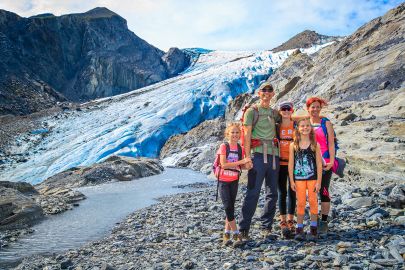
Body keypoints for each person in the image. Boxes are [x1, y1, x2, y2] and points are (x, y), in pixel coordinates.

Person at [238, 82, 281, 241]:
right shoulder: (252, 111)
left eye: (270, 90)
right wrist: (247, 156)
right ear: (259, 92)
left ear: (273, 94)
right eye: (264, 90)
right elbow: (247, 134)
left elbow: (288, 118)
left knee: (272, 194)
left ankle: (266, 227)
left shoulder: (274, 113)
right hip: (257, 156)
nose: (267, 93)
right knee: (253, 192)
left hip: (274, 156)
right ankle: (243, 229)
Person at [288, 115, 322, 241]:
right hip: (299, 179)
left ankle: (313, 228)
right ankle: (299, 228)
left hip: (312, 177)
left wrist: (319, 181)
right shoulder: (294, 145)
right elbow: (291, 164)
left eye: (307, 126)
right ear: (298, 128)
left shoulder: (314, 144)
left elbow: (319, 163)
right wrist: (291, 180)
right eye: (302, 126)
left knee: (313, 202)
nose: (305, 128)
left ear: (310, 128)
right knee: (301, 202)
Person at [217, 123, 252, 244]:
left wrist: (247, 165)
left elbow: (240, 165)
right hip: (223, 181)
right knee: (227, 207)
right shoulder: (223, 146)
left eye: (237, 132)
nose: (235, 135)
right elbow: (224, 164)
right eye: (232, 132)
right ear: (228, 134)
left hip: (234, 180)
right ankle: (236, 233)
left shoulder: (240, 148)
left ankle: (226, 233)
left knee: (230, 207)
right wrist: (242, 161)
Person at [306, 97, 335, 233]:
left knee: (324, 190)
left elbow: (331, 143)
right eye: (313, 107)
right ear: (308, 109)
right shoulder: (305, 124)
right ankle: (314, 219)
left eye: (318, 107)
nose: (315, 109)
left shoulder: (326, 123)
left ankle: (324, 221)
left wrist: (332, 161)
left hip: (325, 162)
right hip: (310, 163)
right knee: (311, 192)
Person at [277, 101, 296, 238]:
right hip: (280, 163)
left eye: (288, 109)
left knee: (292, 191)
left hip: (293, 163)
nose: (286, 111)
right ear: (280, 111)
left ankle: (291, 220)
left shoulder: (295, 125)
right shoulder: (276, 127)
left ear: (292, 110)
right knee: (281, 192)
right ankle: (282, 221)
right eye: (283, 109)